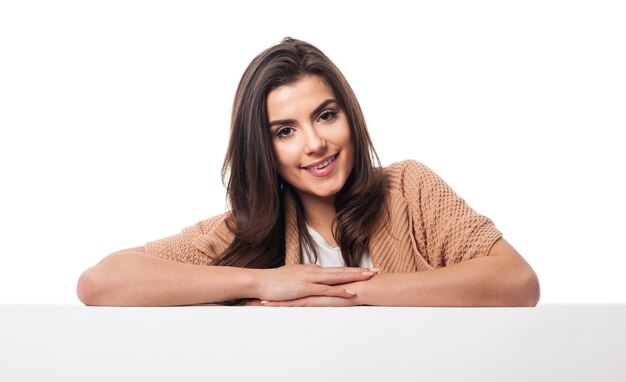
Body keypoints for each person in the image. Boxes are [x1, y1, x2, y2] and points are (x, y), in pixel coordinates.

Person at [77, 37, 540, 307]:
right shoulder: (250, 231)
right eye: (284, 131)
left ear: (349, 117)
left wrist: (346, 296)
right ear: (262, 149)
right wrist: (266, 281)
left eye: (325, 115)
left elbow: (517, 282)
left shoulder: (408, 189)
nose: (315, 143)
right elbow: (101, 283)